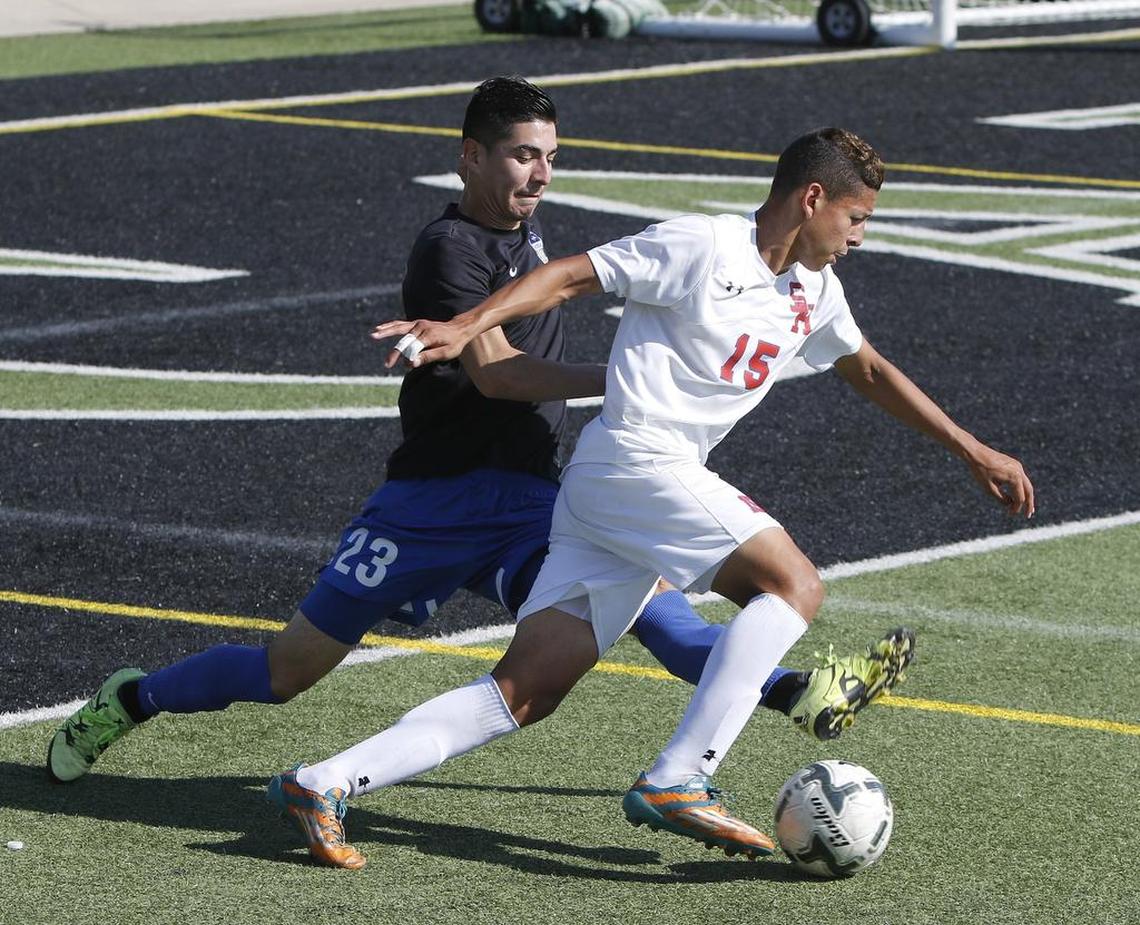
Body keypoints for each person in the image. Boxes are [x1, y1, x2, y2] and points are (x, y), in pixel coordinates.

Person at [46, 84, 907, 849]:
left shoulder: (529, 244)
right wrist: (642, 378)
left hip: (529, 497)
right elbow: (500, 374)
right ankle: (132, 699)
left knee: (644, 612)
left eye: (551, 158)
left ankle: (779, 694)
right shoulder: (449, 251)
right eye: (523, 155)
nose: (541, 174)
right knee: (286, 672)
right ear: (471, 157)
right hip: (430, 501)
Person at [260, 126, 1012, 871]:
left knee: (523, 691)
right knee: (793, 583)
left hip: (611, 494)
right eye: (856, 219)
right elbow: (567, 276)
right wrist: (467, 324)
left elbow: (870, 369)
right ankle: (679, 776)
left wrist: (970, 448)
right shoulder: (703, 245)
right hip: (636, 460)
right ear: (813, 198)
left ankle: (321, 781)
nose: (858, 238)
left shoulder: (815, 290)